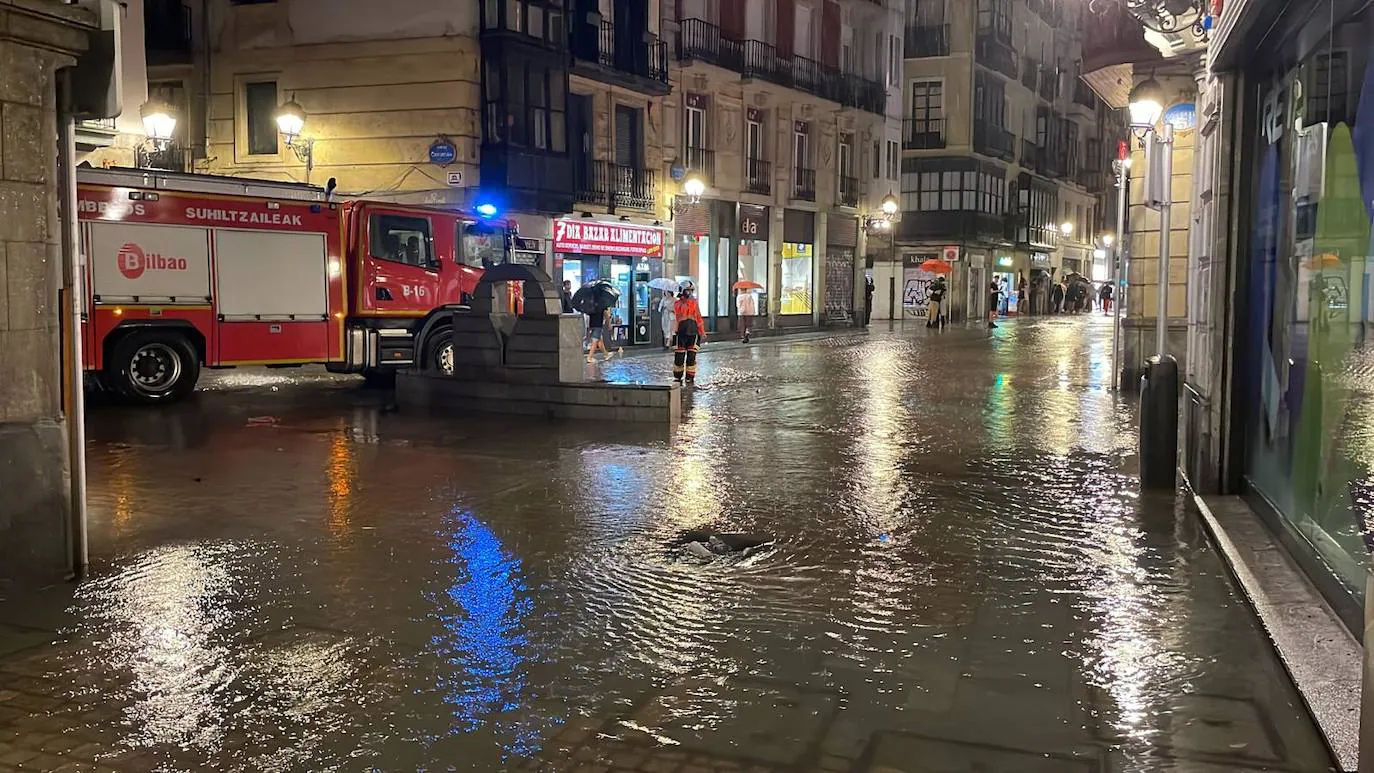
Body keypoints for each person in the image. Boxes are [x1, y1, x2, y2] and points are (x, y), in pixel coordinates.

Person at [672, 283, 707, 384]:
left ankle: (690, 377)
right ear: (683, 291)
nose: (690, 292)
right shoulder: (677, 303)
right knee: (679, 356)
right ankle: (678, 376)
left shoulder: (694, 303)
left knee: (691, 356)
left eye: (692, 290)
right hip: (681, 332)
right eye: (688, 290)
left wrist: (702, 331)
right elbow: (677, 317)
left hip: (693, 331)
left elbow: (698, 317)